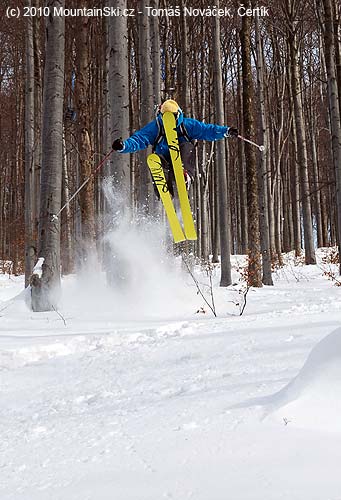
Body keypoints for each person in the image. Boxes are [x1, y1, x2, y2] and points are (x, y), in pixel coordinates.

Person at [112, 99, 238, 196]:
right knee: (155, 159)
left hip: (182, 158)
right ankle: (163, 189)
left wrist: (226, 131)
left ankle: (184, 177)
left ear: (178, 115)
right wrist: (123, 146)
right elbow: (139, 139)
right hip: (165, 159)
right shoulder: (156, 127)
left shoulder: (187, 125)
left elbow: (207, 130)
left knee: (187, 146)